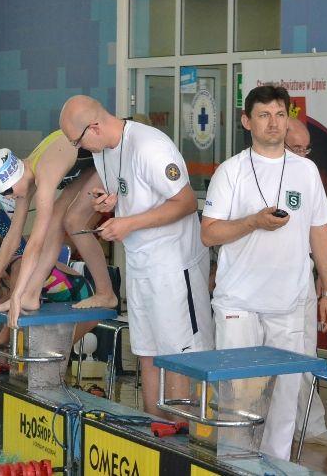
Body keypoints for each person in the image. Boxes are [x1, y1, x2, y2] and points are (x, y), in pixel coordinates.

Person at [201, 85, 327, 460]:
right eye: (264, 115)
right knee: (239, 393)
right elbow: (209, 232)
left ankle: (276, 467)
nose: (273, 123)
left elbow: (319, 231)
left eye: (280, 114)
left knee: (284, 397)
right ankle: (234, 463)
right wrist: (252, 222)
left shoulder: (306, 171)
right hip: (239, 301)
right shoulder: (231, 171)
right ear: (247, 121)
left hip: (290, 302)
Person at [59, 95, 213, 420]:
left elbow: (185, 203)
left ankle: (180, 446)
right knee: (147, 354)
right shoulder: (105, 152)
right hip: (141, 265)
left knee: (177, 358)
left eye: (78, 141)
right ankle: (157, 435)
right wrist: (110, 203)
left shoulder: (150, 147)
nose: (79, 149)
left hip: (174, 267)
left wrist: (128, 223)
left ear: (96, 126)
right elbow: (135, 194)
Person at [0, 129, 117, 329]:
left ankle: (106, 293)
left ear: (14, 177)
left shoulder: (44, 173)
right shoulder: (26, 175)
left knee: (73, 221)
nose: (8, 197)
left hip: (109, 156)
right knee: (57, 218)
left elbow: (36, 243)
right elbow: (11, 240)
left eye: (7, 191)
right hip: (90, 164)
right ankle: (32, 295)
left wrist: (16, 294)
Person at [286, 118, 327, 448]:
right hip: (255, 292)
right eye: (297, 148)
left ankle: (311, 427)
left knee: (305, 356)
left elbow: (320, 234)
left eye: (306, 148)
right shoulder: (245, 173)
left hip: (300, 284)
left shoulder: (308, 175)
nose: (304, 155)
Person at [0, 235, 94, 376]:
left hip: (83, 301)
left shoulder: (18, 267)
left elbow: (11, 321)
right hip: (59, 305)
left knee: (46, 359)